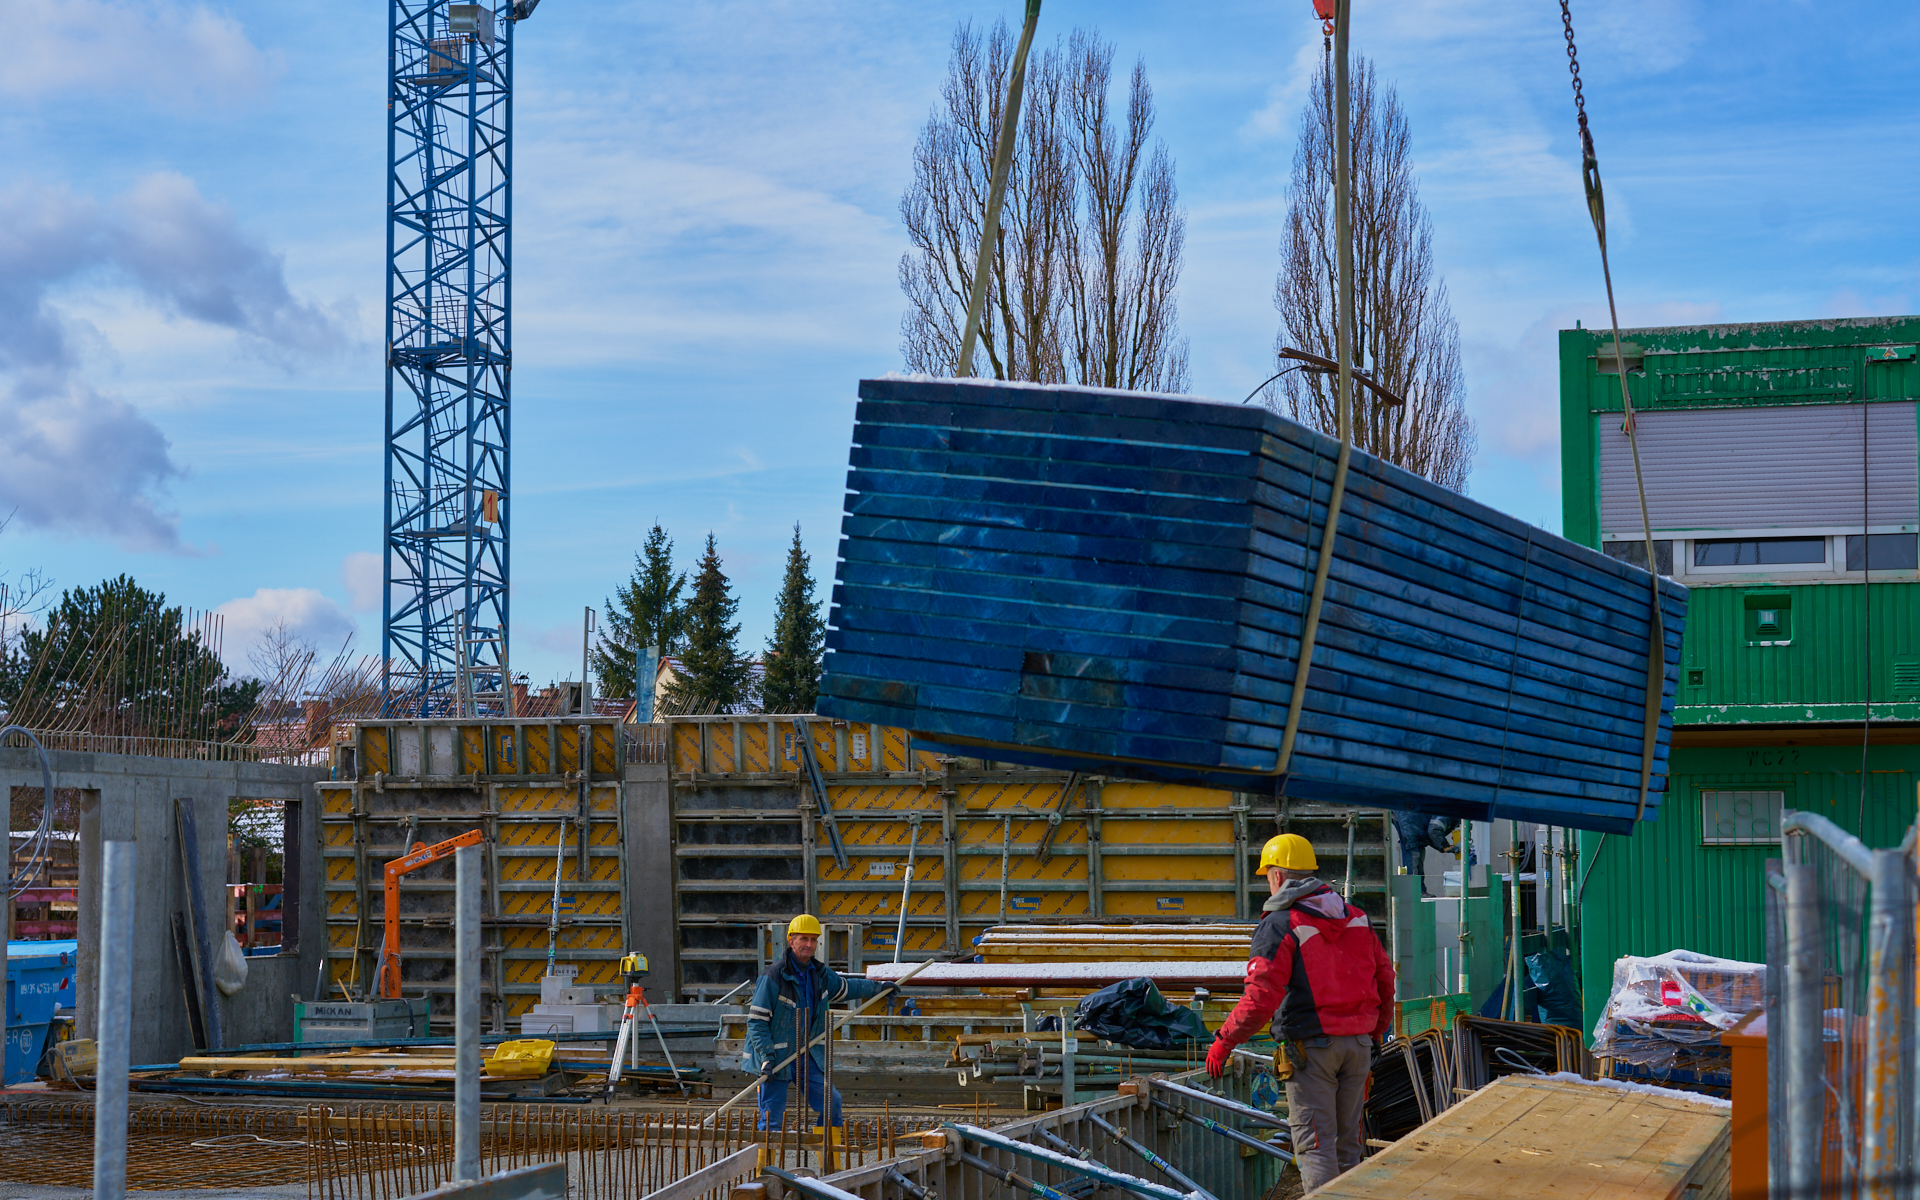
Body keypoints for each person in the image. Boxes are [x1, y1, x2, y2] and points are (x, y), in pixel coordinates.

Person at [1205, 833, 1395, 1192]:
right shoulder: (1356, 918)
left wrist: (1224, 1040)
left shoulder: (1280, 925)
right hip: (1358, 1047)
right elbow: (1386, 980)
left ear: (1276, 875)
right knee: (1347, 1147)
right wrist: (1374, 1033)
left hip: (1312, 1052)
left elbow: (1260, 998)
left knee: (1316, 1148)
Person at [745, 914, 895, 1130]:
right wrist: (766, 1058)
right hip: (776, 1057)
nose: (809, 944)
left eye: (813, 939)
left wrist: (879, 988)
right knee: (771, 1121)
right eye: (804, 938)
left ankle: (828, 1160)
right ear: (791, 941)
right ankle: (765, 1164)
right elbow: (757, 1022)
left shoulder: (820, 974)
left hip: (807, 1055)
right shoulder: (773, 977)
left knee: (831, 1104)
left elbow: (846, 987)